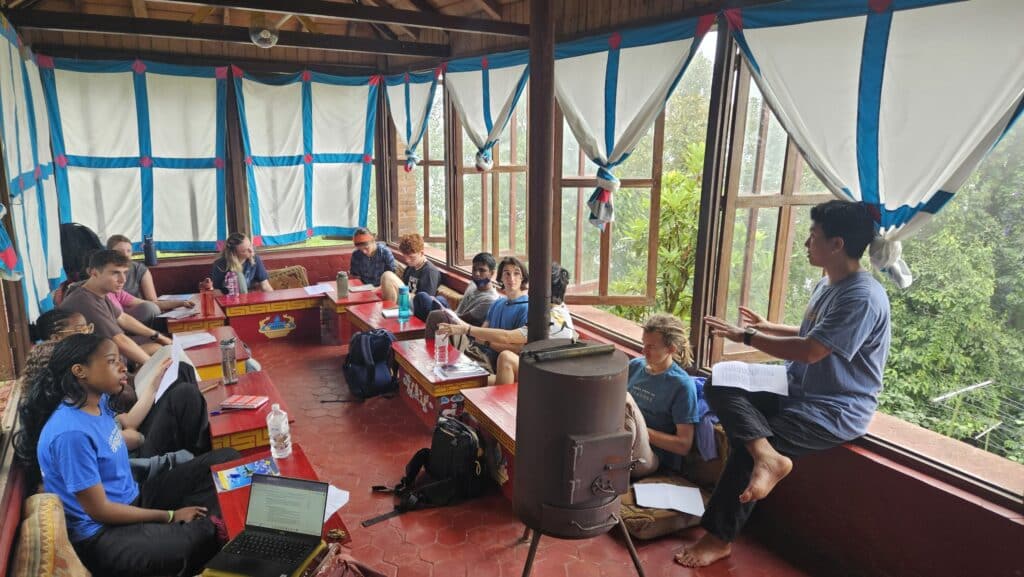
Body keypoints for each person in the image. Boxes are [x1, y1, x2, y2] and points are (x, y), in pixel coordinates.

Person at [676, 200, 891, 568]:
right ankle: (768, 456)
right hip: (796, 388)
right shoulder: (830, 283)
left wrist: (748, 338)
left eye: (813, 236)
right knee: (719, 382)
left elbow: (812, 350)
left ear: (837, 244)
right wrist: (768, 327)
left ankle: (719, 538)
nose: (807, 243)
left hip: (832, 409)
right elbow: (815, 332)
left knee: (749, 447)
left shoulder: (862, 296)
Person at [13, 334, 239, 576]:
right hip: (102, 534)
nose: (122, 367)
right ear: (80, 371)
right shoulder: (70, 435)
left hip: (133, 497)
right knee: (199, 537)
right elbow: (101, 511)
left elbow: (127, 427)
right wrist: (169, 516)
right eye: (112, 361)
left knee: (226, 462)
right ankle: (197, 527)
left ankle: (199, 522)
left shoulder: (97, 402)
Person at [21, 309, 212, 459]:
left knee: (182, 377)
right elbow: (127, 444)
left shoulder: (92, 396)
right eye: (111, 362)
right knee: (185, 395)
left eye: (88, 328)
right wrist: (133, 437)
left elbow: (126, 421)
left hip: (132, 439)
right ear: (77, 371)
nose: (87, 334)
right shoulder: (70, 424)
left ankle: (196, 452)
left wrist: (154, 386)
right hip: (133, 462)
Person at [439, 263, 574, 385]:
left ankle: (499, 403)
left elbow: (507, 337)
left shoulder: (547, 319)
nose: (529, 289)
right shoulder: (560, 309)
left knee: (506, 358)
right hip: (542, 367)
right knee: (468, 378)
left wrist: (467, 329)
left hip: (546, 375)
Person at [59, 250, 172, 366]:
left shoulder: (98, 292)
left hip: (104, 351)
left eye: (125, 273)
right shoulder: (85, 301)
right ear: (94, 273)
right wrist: (156, 367)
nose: (123, 280)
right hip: (90, 363)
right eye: (115, 273)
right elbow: (119, 340)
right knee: (159, 351)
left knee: (159, 347)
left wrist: (157, 336)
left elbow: (122, 318)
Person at [624, 314, 700, 479]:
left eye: (651, 347)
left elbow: (683, 445)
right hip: (622, 440)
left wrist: (639, 432)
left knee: (625, 400)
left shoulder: (682, 385)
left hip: (651, 456)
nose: (644, 351)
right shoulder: (635, 366)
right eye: (643, 344)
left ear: (671, 349)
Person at [107, 234, 193, 313]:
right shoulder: (106, 284)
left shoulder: (138, 271)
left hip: (136, 311)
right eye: (120, 252)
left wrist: (181, 303)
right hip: (114, 315)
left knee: (151, 308)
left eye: (128, 251)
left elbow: (153, 303)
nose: (125, 255)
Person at [424, 252, 499, 334]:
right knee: (437, 300)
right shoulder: (473, 284)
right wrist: (447, 312)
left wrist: (446, 314)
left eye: (482, 270)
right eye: (474, 269)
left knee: (434, 314)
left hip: (463, 329)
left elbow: (464, 318)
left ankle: (427, 334)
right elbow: (461, 307)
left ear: (492, 273)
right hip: (455, 316)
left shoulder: (490, 299)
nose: (477, 274)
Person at [380, 233, 440, 316]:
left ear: (421, 253)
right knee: (386, 280)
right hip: (405, 301)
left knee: (387, 276)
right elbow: (404, 286)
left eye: (411, 257)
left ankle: (388, 310)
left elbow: (426, 301)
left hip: (417, 307)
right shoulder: (411, 267)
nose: (407, 260)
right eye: (405, 257)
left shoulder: (430, 271)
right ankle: (388, 312)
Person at [208, 232, 273, 295]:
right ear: (234, 254)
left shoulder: (255, 259)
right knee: (238, 276)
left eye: (250, 245)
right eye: (244, 250)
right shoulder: (220, 265)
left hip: (249, 297)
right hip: (229, 298)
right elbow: (217, 291)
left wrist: (274, 299)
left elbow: (265, 285)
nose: (251, 250)